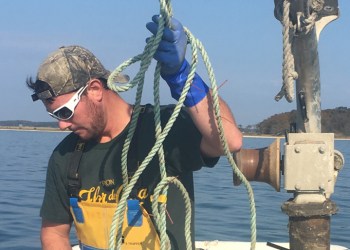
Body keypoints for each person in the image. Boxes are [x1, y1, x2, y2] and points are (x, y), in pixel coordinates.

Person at [27, 15, 242, 250]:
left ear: (96, 90)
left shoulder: (163, 128)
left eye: (65, 112)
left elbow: (228, 141)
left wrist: (180, 75)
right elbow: (54, 233)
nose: (62, 125)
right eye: (55, 115)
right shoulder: (65, 156)